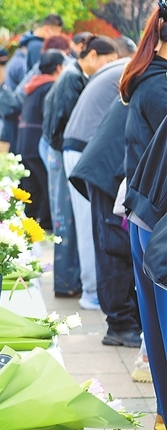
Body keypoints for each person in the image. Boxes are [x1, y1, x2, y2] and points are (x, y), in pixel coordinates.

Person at [42, 35, 119, 303]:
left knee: (73, 220)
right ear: (93, 55)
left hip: (65, 150)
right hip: (65, 150)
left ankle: (72, 283)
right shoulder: (73, 76)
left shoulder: (77, 75)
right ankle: (76, 286)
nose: (108, 66)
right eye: (108, 60)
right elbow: (58, 122)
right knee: (72, 221)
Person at [121, 0, 167, 430]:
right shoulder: (160, 86)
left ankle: (162, 415)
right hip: (157, 217)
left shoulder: (149, 76)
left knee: (156, 328)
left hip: (146, 213)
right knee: (160, 328)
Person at [63, 52, 133, 327]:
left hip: (104, 161)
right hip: (107, 167)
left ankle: (121, 318)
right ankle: (120, 322)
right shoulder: (150, 74)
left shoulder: (137, 67)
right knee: (113, 247)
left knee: (111, 245)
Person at [14, 49, 65, 230]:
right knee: (45, 184)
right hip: (37, 143)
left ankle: (31, 222)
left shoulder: (33, 85)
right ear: (59, 67)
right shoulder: (51, 86)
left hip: (24, 142)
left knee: (32, 186)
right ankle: (44, 223)